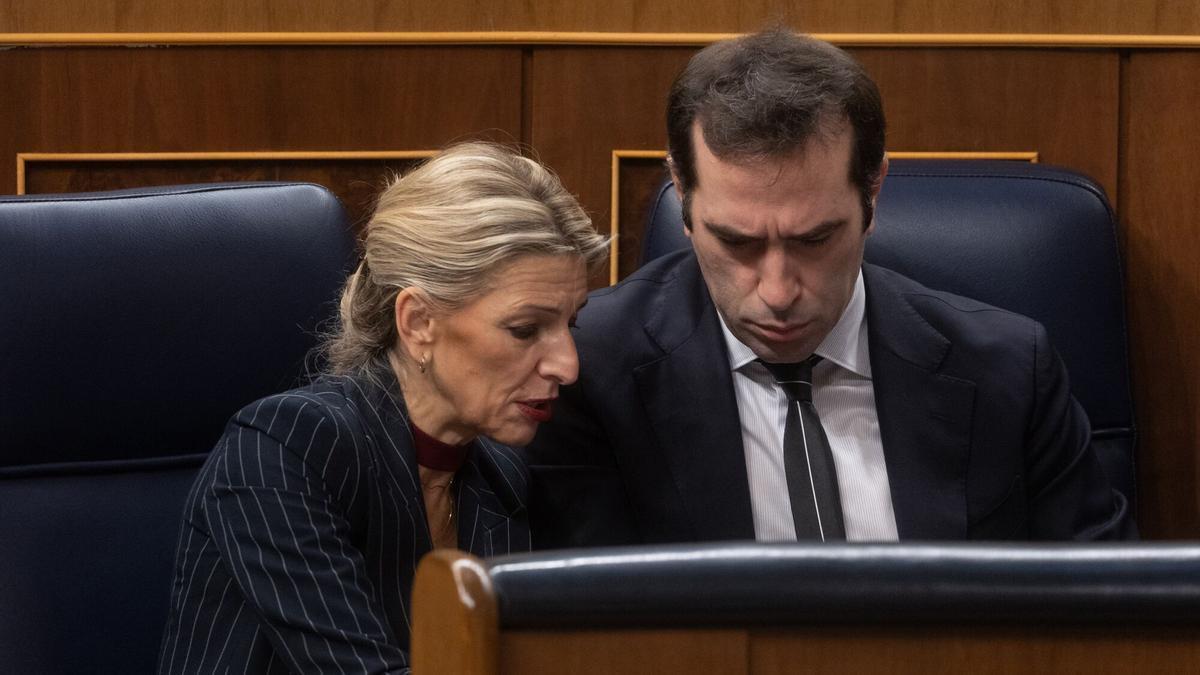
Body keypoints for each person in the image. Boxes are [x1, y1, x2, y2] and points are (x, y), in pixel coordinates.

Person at [523, 29, 1135, 547]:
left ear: (873, 192)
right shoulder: (588, 371)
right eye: (737, 243)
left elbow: (1108, 622)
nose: (778, 290)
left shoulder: (1008, 370)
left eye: (814, 240)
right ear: (682, 194)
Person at [158, 142, 609, 674]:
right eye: (526, 329)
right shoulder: (285, 449)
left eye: (570, 324)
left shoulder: (500, 472)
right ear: (418, 322)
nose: (567, 365)